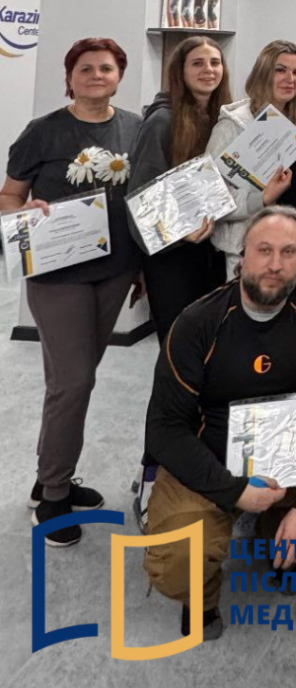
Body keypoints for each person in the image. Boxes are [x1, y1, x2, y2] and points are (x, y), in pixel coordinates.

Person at [144, 206, 296, 641]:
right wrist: (233, 490)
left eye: (288, 252)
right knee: (177, 557)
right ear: (242, 256)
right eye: (264, 250)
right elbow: (164, 429)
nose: (275, 264)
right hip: (213, 456)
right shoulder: (197, 323)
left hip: (295, 454)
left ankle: (278, 534)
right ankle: (202, 594)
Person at [1, 38, 142, 547]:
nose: (96, 75)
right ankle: (54, 496)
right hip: (57, 273)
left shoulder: (135, 127)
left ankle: (48, 476)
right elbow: (9, 195)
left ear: (119, 76)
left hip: (114, 270)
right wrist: (21, 212)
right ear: (70, 77)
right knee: (75, 382)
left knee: (67, 382)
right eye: (86, 68)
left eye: (106, 67)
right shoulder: (43, 131)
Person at [128, 35, 232, 346]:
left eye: (215, 62)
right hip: (174, 256)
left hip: (213, 249)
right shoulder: (162, 121)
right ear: (180, 71)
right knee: (179, 348)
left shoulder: (223, 120)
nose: (208, 69)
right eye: (197, 63)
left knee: (211, 345)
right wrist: (182, 233)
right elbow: (141, 196)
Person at [206, 40, 296, 276]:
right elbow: (212, 198)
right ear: (263, 73)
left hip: (295, 247)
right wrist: (262, 199)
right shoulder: (231, 127)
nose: (290, 79)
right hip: (245, 251)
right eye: (280, 70)